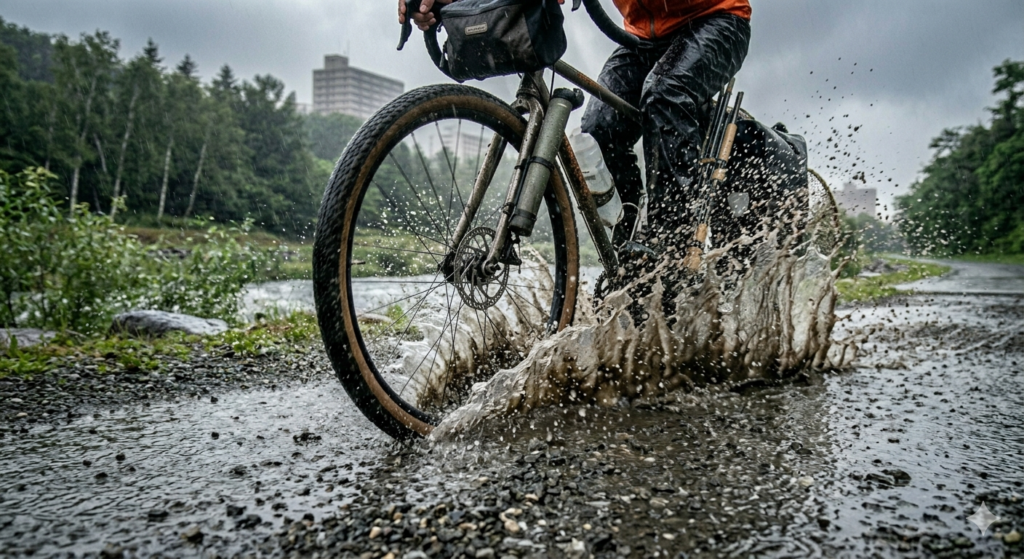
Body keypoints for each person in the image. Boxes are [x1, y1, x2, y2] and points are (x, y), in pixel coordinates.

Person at [399, 0, 752, 252]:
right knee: (599, 128)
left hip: (717, 19)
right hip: (643, 37)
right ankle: (632, 247)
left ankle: (670, 240)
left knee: (664, 95)